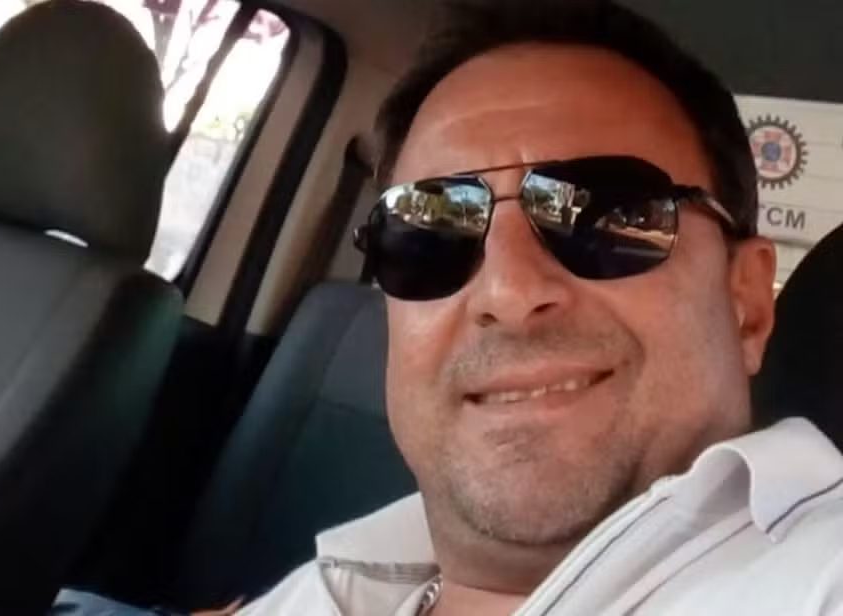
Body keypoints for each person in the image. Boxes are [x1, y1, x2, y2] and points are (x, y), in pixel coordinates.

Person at [58, 0, 843, 614]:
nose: (507, 291)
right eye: (428, 230)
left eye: (606, 215)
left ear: (746, 304)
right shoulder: (336, 582)